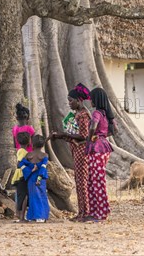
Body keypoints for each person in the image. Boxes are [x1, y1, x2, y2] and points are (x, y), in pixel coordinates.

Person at [49, 83, 91, 221]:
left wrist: (63, 135)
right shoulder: (77, 114)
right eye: (68, 101)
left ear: (79, 100)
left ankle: (85, 213)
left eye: (71, 101)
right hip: (76, 150)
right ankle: (82, 212)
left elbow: (83, 136)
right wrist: (62, 135)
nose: (69, 103)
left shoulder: (83, 115)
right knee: (79, 182)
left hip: (81, 151)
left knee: (81, 182)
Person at [86, 88, 114, 222]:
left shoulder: (96, 113)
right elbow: (114, 130)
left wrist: (90, 137)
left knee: (97, 181)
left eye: (91, 99)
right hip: (103, 147)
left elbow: (93, 126)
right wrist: (102, 136)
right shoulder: (106, 114)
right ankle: (96, 211)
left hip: (97, 149)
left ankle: (101, 213)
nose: (90, 101)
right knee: (93, 180)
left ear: (96, 100)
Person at [19, 135, 49, 223]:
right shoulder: (44, 155)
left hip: (31, 178)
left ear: (32, 144)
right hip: (40, 179)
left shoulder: (29, 155)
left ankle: (32, 216)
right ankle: (40, 216)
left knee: (32, 197)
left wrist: (30, 169)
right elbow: (43, 168)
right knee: (41, 196)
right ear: (43, 145)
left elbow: (20, 164)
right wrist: (39, 179)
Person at [11, 131, 31, 222]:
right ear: (29, 142)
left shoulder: (20, 150)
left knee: (20, 195)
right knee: (24, 196)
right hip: (22, 176)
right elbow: (19, 164)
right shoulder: (23, 152)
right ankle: (22, 217)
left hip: (20, 175)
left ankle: (19, 215)